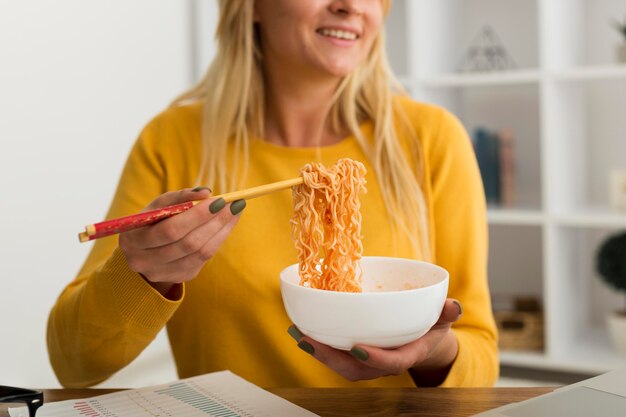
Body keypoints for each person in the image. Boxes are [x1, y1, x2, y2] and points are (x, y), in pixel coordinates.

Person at [47, 0, 498, 389]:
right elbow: (75, 364)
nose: (351, 5)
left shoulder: (430, 140)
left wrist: (433, 353)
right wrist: (141, 274)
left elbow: (480, 357)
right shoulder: (173, 140)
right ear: (254, 6)